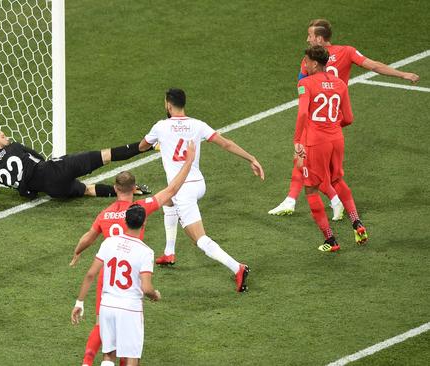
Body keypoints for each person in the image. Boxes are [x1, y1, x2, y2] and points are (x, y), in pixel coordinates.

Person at [269, 18, 420, 218]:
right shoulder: (347, 52)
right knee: (315, 164)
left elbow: (301, 86)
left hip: (315, 118)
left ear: (320, 39)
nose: (307, 39)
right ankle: (298, 200)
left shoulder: (310, 61)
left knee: (306, 160)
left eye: (311, 36)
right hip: (335, 119)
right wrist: (402, 75)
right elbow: (373, 66)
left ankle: (324, 201)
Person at [70, 140, 195, 366]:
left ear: (116, 189)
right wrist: (189, 161)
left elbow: (89, 236)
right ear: (134, 188)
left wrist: (78, 252)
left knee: (104, 327)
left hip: (106, 273)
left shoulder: (105, 213)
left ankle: (88, 362)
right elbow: (172, 189)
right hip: (131, 277)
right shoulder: (140, 210)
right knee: (130, 342)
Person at [138, 88, 264, 292]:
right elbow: (226, 144)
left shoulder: (160, 126)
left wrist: (156, 144)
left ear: (168, 105)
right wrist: (252, 158)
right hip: (198, 183)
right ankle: (169, 252)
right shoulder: (198, 125)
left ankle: (237, 267)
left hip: (183, 189)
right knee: (167, 201)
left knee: (200, 239)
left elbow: (143, 146)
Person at [294, 45, 368, 252]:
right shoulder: (340, 84)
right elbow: (349, 118)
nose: (304, 64)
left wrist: (297, 140)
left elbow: (302, 114)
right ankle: (357, 222)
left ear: (315, 63)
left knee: (310, 188)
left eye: (306, 61)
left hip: (316, 142)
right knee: (337, 179)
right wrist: (332, 127)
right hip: (337, 138)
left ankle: (330, 240)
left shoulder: (305, 83)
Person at [71, 204, 160, 366]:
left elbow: (91, 274)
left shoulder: (109, 243)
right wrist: (155, 295)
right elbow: (146, 288)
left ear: (125, 221)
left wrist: (79, 302)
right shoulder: (145, 252)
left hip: (107, 306)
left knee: (108, 354)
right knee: (132, 356)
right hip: (130, 309)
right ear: (144, 223)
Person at [0, 128, 150, 202]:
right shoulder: (14, 147)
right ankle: (146, 146)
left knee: (87, 190)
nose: (8, 139)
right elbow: (38, 157)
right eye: (3, 137)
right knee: (106, 155)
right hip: (56, 169)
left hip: (52, 190)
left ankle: (129, 191)